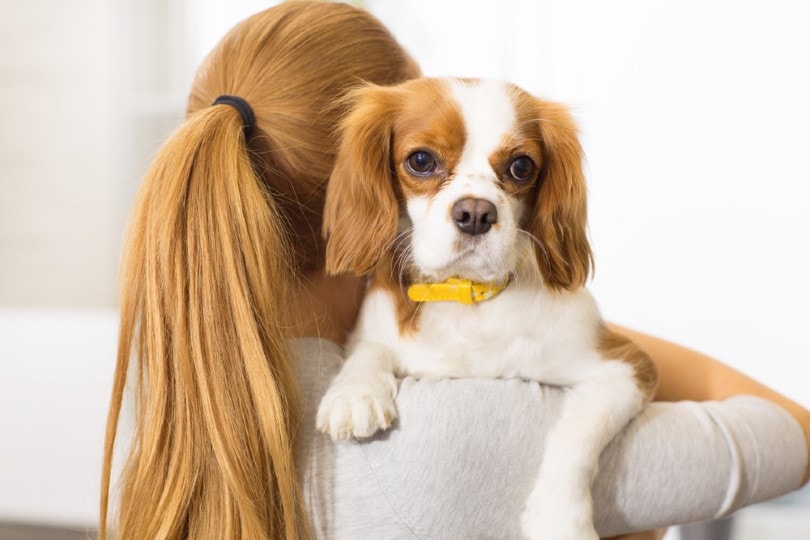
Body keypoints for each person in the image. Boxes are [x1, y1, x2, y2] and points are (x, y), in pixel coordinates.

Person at [100, 2, 810, 539]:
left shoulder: (167, 397)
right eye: (421, 161)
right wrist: (555, 322)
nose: (470, 202)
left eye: (513, 168)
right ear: (367, 183)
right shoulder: (467, 428)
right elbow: (790, 437)